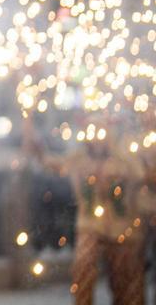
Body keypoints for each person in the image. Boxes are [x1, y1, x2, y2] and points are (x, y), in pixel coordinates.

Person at [25, 116, 147, 305]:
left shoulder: (124, 159)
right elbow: (53, 164)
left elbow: (143, 178)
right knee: (84, 266)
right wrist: (36, 148)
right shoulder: (78, 159)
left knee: (126, 281)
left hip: (123, 229)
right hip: (90, 225)